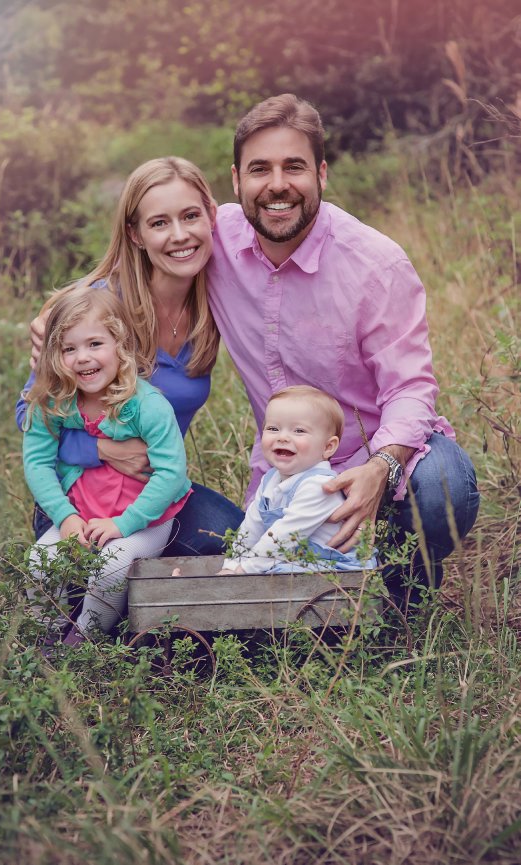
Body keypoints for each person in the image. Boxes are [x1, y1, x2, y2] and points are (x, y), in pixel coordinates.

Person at [207, 93, 479, 599]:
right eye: (260, 169)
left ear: (322, 174)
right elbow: (140, 243)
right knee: (220, 548)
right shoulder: (212, 238)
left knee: (444, 487)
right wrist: (66, 312)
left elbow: (410, 388)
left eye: (294, 167)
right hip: (286, 468)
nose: (278, 184)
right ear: (236, 180)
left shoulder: (375, 263)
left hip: (380, 456)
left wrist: (380, 468)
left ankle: (401, 593)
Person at [19, 157, 244, 554]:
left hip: (152, 493)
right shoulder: (97, 310)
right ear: (135, 234)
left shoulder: (217, 301)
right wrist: (101, 449)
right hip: (79, 493)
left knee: (235, 539)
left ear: (211, 216)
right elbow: (29, 414)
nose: (179, 235)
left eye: (190, 216)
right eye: (159, 223)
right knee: (93, 579)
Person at [23, 285, 193, 651]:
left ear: (121, 345)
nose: (83, 358)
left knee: (112, 565)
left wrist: (123, 524)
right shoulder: (53, 403)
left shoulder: (148, 405)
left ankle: (87, 639)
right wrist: (65, 517)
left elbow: (171, 473)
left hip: (145, 517)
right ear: (54, 355)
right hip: (82, 512)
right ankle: (47, 635)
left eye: (95, 344)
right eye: (69, 349)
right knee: (39, 560)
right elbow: (37, 462)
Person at [218, 386, 377, 574]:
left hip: (335, 566)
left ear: (328, 447)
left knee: (272, 572)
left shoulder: (319, 486)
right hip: (291, 558)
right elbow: (251, 528)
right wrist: (231, 564)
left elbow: (283, 536)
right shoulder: (270, 479)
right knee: (271, 569)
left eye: (299, 431)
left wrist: (244, 570)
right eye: (273, 428)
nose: (283, 437)